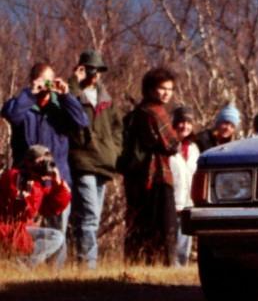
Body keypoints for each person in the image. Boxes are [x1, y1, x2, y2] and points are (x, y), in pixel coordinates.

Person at [1, 62, 88, 267]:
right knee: (23, 228)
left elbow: (82, 122)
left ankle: (53, 277)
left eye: (48, 81)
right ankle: (19, 267)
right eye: (40, 80)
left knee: (58, 231)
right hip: (27, 181)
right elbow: (10, 115)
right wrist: (29, 93)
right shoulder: (23, 106)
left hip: (55, 178)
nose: (44, 86)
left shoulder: (60, 109)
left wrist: (67, 96)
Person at [67, 50, 122, 269]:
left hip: (104, 161)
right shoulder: (73, 93)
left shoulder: (107, 99)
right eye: (90, 68)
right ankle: (88, 264)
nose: (95, 74)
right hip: (83, 161)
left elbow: (118, 128)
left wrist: (115, 150)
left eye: (98, 70)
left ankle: (81, 261)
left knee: (93, 217)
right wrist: (73, 81)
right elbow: (65, 106)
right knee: (89, 215)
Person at [121, 67, 181, 266]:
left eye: (170, 89)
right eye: (161, 88)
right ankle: (166, 264)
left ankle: (136, 261)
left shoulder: (136, 112)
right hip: (157, 175)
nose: (166, 93)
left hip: (136, 178)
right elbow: (172, 144)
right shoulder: (155, 112)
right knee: (165, 225)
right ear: (150, 89)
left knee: (140, 224)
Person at [0, 145, 72, 267]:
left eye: (48, 162)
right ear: (29, 162)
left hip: (23, 228)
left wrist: (58, 184)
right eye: (41, 162)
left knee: (60, 240)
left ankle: (54, 278)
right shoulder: (14, 176)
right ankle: (22, 266)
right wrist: (26, 192)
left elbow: (51, 208)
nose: (45, 166)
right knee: (57, 237)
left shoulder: (38, 185)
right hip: (7, 228)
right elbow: (22, 209)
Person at [168, 106, 199, 266]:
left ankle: (181, 269)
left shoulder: (194, 149)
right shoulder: (168, 147)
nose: (185, 126)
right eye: (181, 122)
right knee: (171, 240)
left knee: (185, 242)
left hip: (189, 204)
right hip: (172, 201)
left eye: (188, 122)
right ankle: (169, 268)